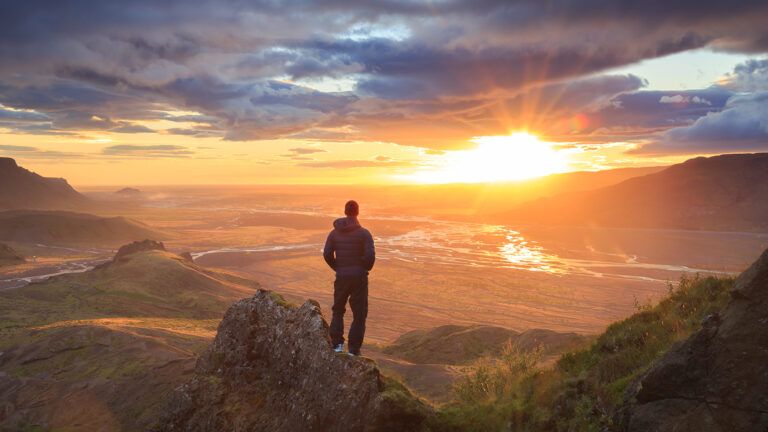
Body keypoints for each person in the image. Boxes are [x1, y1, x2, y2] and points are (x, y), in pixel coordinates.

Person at [323, 200, 375, 356]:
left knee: (338, 310)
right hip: (359, 278)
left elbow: (327, 254)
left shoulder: (334, 233)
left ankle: (337, 345)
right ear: (357, 212)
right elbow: (370, 257)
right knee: (359, 314)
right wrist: (363, 268)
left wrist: (338, 268)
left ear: (345, 212)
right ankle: (353, 350)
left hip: (342, 277)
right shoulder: (364, 234)